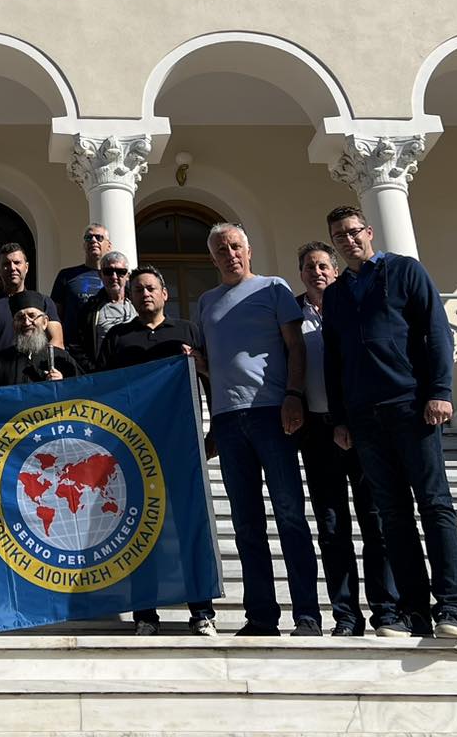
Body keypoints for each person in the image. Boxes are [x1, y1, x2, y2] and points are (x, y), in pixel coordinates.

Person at [321, 205, 457, 639]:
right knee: (392, 515)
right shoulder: (336, 294)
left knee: (434, 505)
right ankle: (414, 610)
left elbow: (436, 331)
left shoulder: (405, 271)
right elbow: (333, 359)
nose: (348, 240)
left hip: (411, 406)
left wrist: (440, 391)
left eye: (353, 232)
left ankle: (451, 608)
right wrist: (340, 418)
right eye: (339, 236)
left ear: (369, 232)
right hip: (365, 418)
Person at [195, 221, 322, 637]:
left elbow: (296, 346)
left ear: (247, 250)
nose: (229, 254)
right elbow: (214, 366)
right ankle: (261, 617)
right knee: (246, 524)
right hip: (229, 420)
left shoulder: (274, 288)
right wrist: (211, 415)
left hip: (272, 413)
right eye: (221, 249)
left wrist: (294, 395)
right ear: (212, 257)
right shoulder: (206, 302)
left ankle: (307, 615)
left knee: (290, 515)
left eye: (235, 246)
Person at [101, 266, 216, 637]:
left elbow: (209, 377)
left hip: (181, 443)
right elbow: (102, 389)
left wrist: (213, 431)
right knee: (139, 530)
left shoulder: (189, 331)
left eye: (151, 288)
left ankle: (202, 612)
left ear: (165, 293)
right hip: (132, 447)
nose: (145, 294)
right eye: (138, 290)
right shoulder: (118, 337)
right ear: (130, 297)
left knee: (188, 526)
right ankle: (145, 615)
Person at [296, 240, 400, 638]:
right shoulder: (291, 314)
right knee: (331, 525)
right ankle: (346, 616)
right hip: (316, 431)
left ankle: (386, 611)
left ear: (335, 271)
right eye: (309, 267)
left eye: (323, 266)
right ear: (301, 274)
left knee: (374, 519)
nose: (317, 272)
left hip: (361, 427)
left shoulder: (352, 305)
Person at [0, 244, 63, 365]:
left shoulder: (44, 302)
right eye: (6, 264)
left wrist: (40, 368)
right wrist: (1, 369)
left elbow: (57, 340)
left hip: (38, 373)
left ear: (26, 267)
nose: (12, 268)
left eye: (17, 263)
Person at [0, 292, 81, 386]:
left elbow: (81, 390)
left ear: (44, 322)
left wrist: (63, 384)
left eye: (32, 316)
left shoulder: (62, 359)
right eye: (20, 318)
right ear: (14, 325)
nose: (26, 322)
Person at [50, 223, 111, 351]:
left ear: (109, 246)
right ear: (84, 245)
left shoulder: (117, 277)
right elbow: (55, 315)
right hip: (74, 350)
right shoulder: (66, 275)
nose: (93, 240)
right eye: (88, 238)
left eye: (99, 238)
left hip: (108, 349)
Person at [74, 250, 135, 371]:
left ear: (127, 276)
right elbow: (76, 345)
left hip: (137, 371)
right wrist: (93, 369)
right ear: (100, 275)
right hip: (105, 374)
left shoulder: (138, 303)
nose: (114, 277)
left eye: (120, 272)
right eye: (108, 272)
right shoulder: (90, 309)